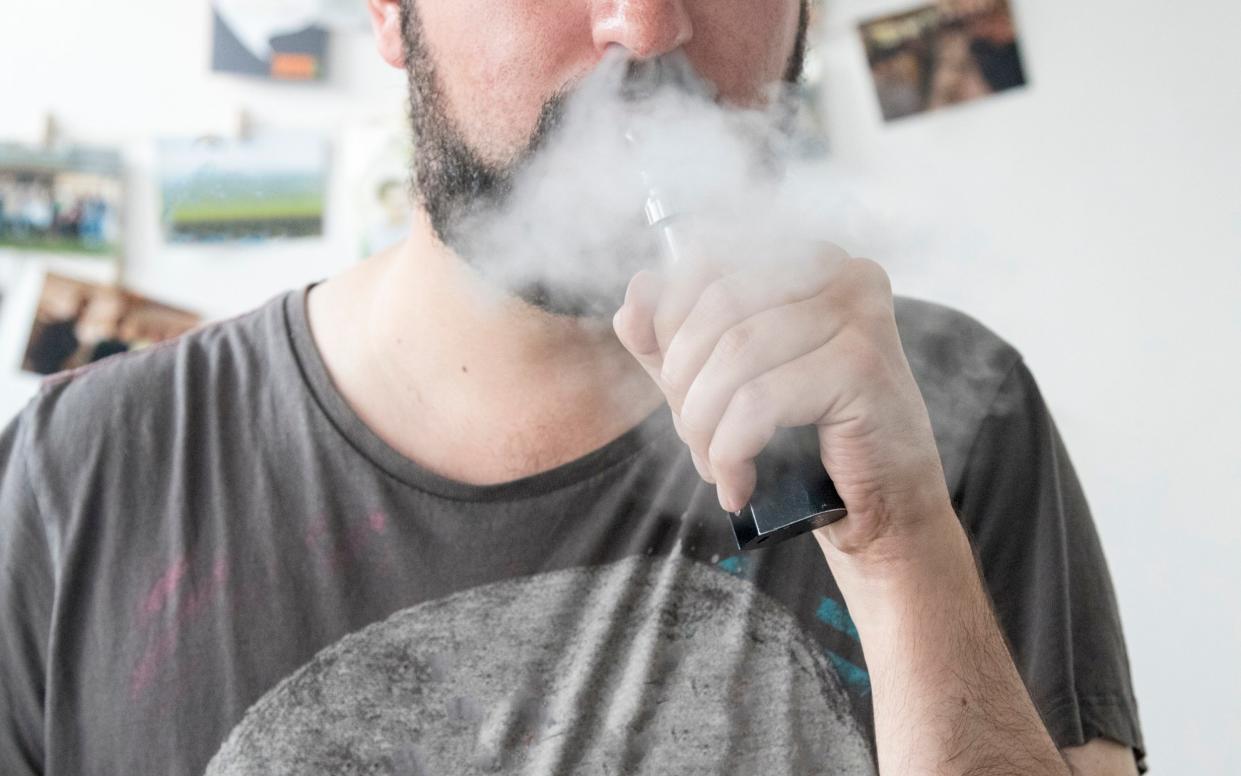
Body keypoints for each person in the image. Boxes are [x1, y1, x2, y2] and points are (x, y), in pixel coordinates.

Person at [0, 1, 1145, 774]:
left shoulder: (952, 409)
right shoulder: (78, 469)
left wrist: (900, 554)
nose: (646, 24)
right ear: (388, 13)